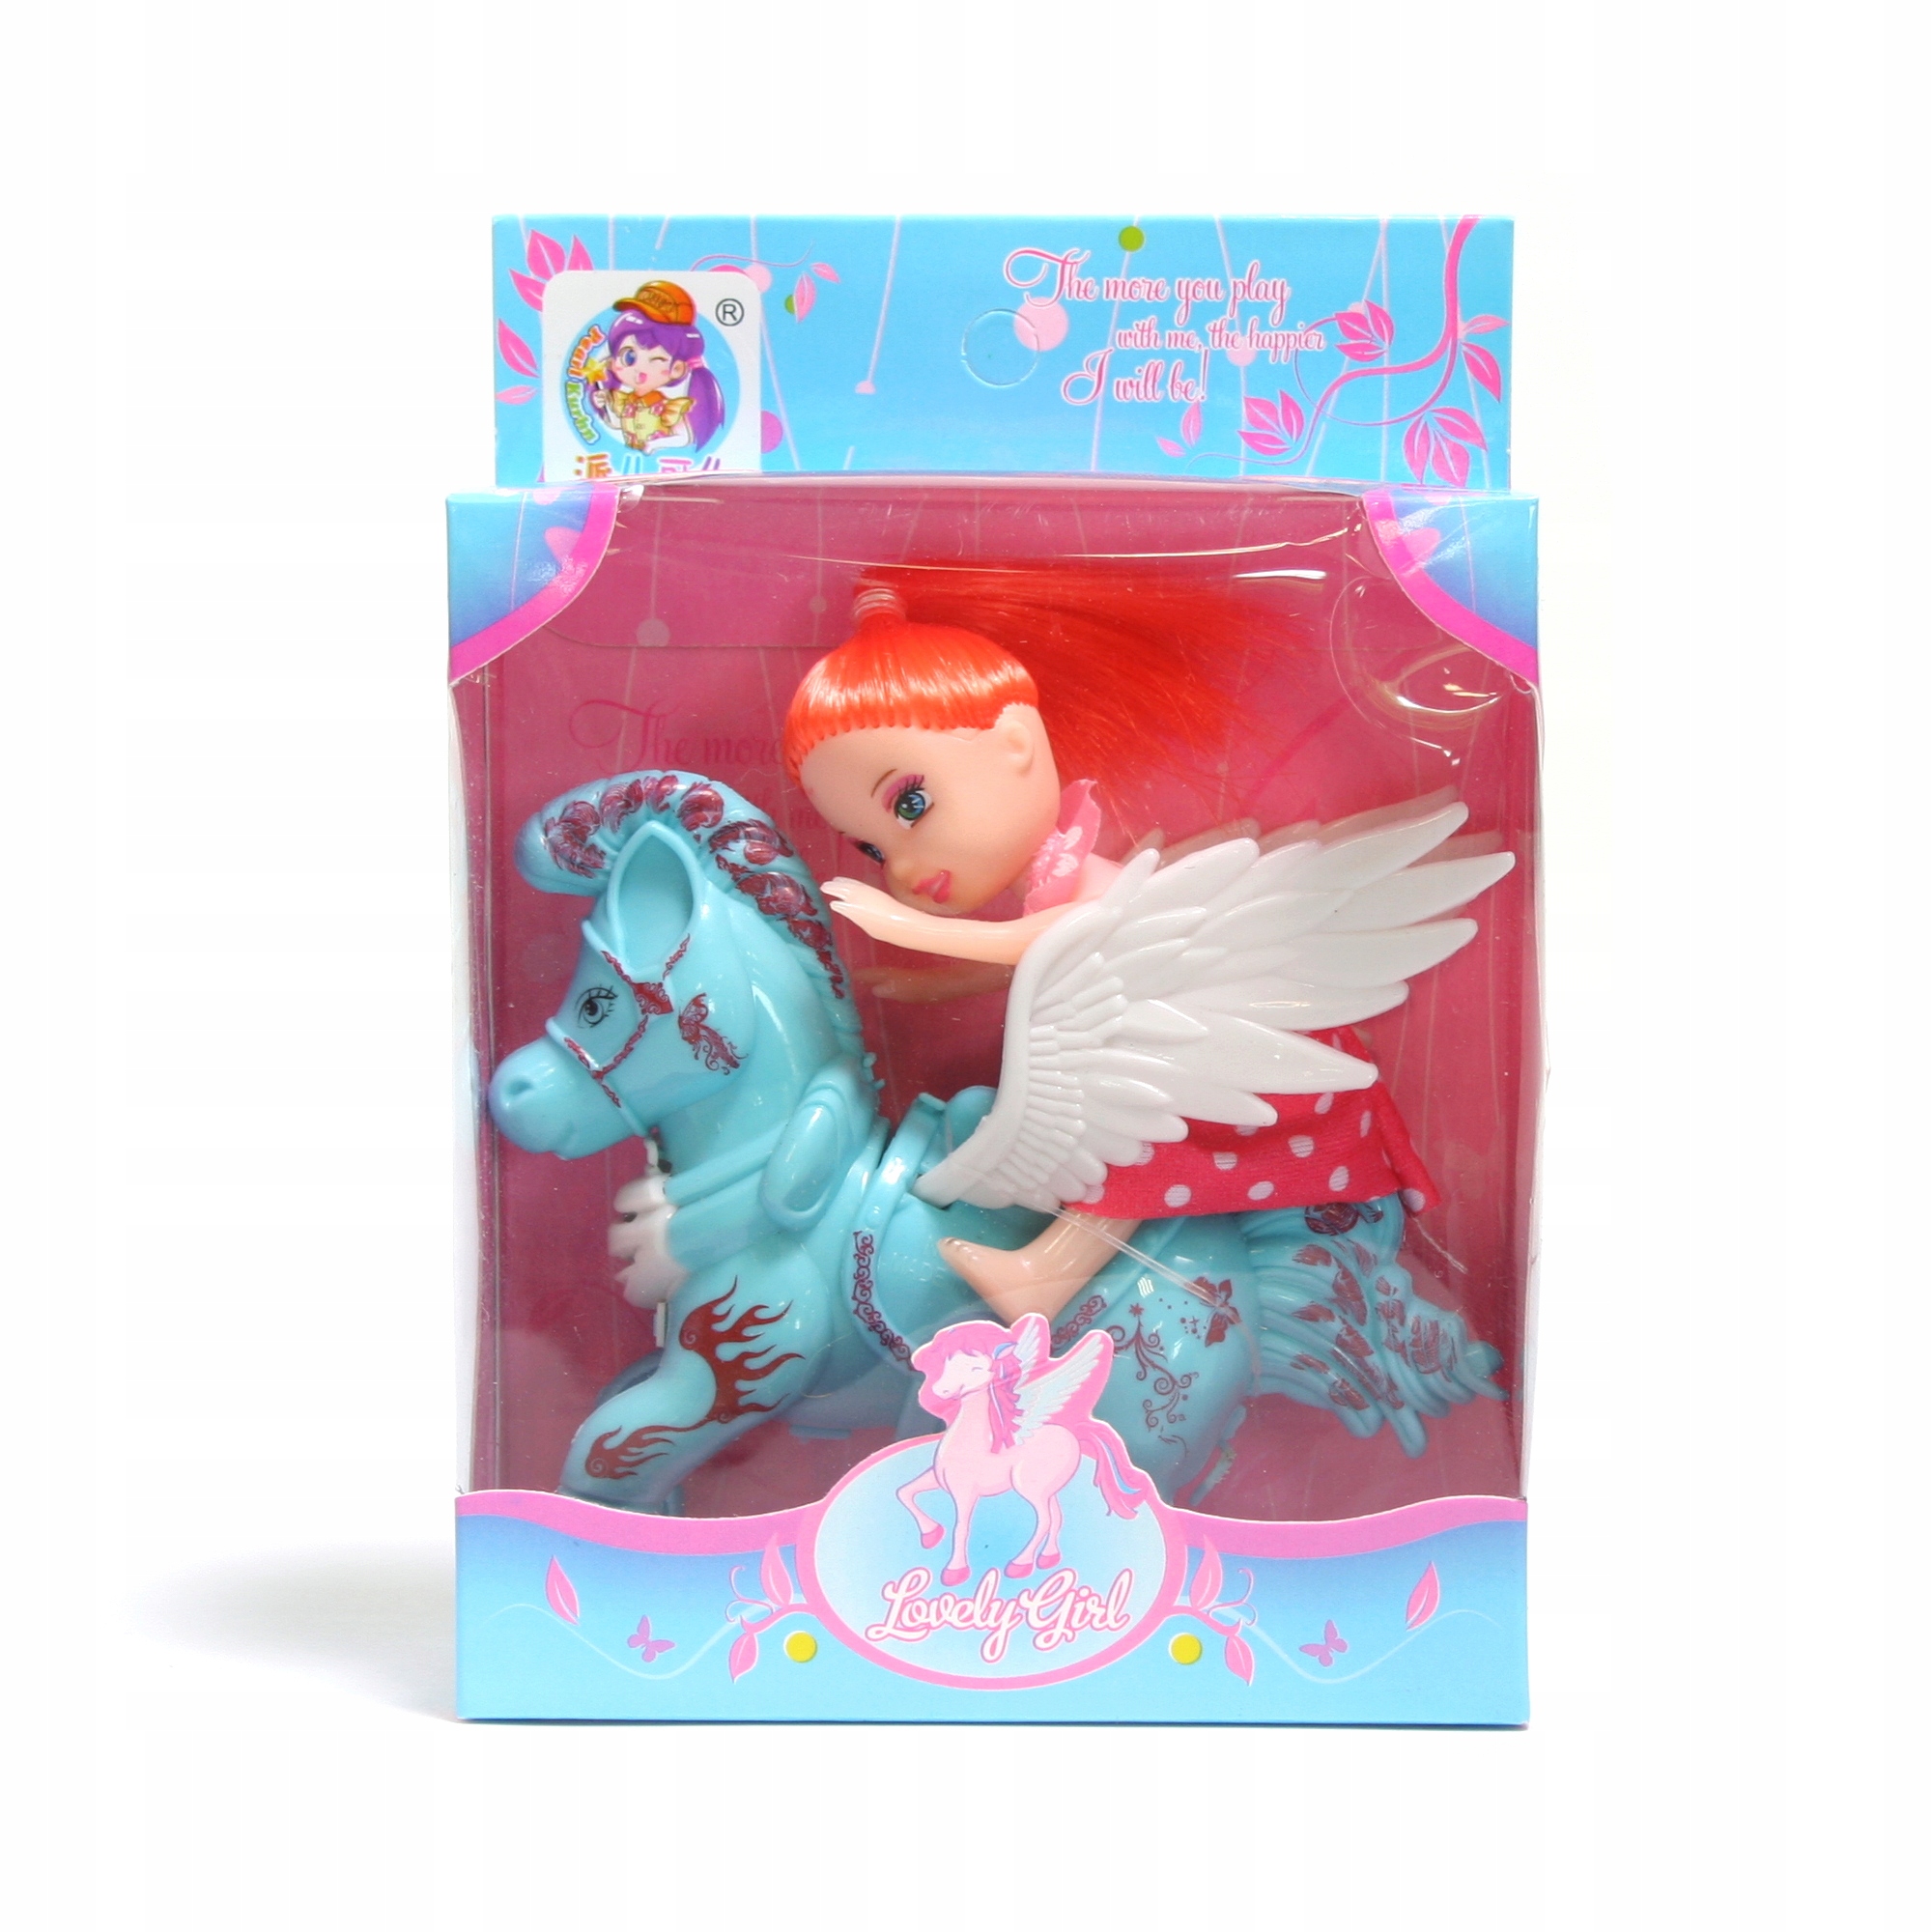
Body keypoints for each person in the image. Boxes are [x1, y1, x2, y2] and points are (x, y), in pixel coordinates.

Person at [783, 572, 1505, 1323]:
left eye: (911, 804)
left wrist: (913, 930)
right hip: (1207, 1058)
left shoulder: (1082, 877)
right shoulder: (1058, 874)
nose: (900, 868)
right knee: (1122, 1114)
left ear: (1015, 745)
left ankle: (1045, 1273)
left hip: (1265, 1080)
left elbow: (1068, 940)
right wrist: (932, 983)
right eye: (872, 849)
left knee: (1131, 1136)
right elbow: (1048, 959)